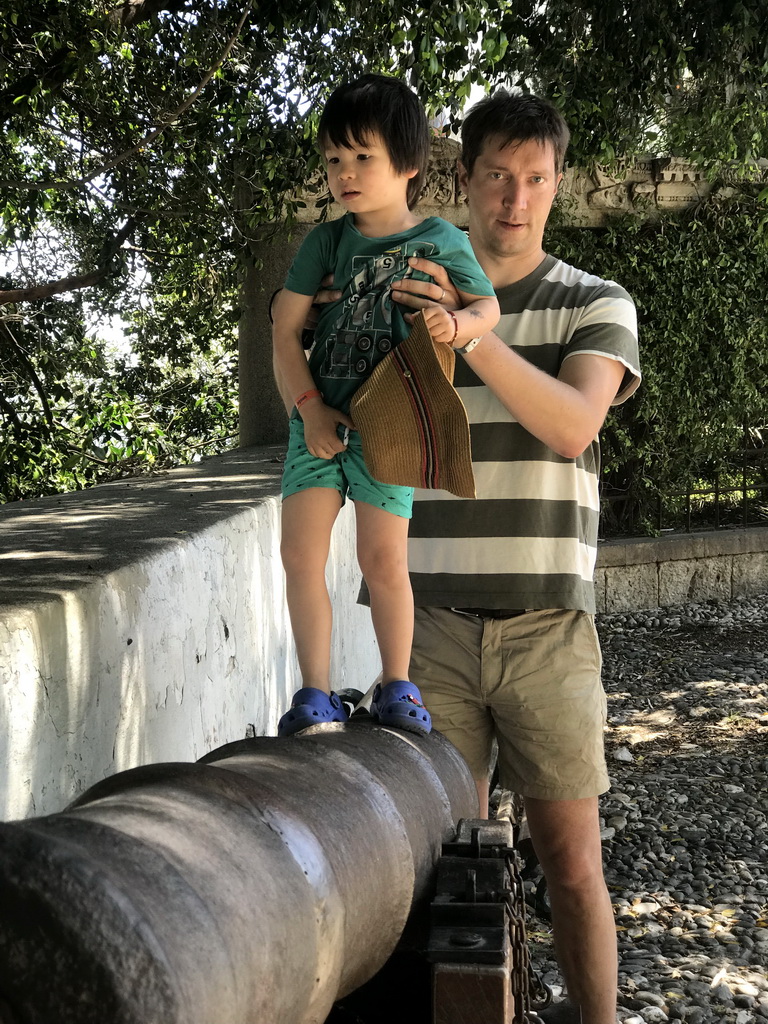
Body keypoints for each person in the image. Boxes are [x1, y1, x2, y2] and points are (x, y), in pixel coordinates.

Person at [380, 91, 641, 1024]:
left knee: (572, 863)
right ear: (465, 179)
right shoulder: (408, 293)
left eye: (535, 179)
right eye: (497, 175)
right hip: (433, 624)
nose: (515, 198)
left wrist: (472, 330)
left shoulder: (595, 301)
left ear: (556, 186)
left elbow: (572, 426)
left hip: (548, 633)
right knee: (441, 866)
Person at [271, 73, 500, 739]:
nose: (344, 173)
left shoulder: (441, 240)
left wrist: (458, 328)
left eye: (362, 157)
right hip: (318, 419)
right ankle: (315, 692)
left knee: (384, 561)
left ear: (407, 165)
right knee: (299, 557)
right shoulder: (325, 242)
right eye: (334, 159)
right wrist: (308, 410)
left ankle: (397, 683)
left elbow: (486, 308)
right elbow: (284, 331)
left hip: (391, 421)